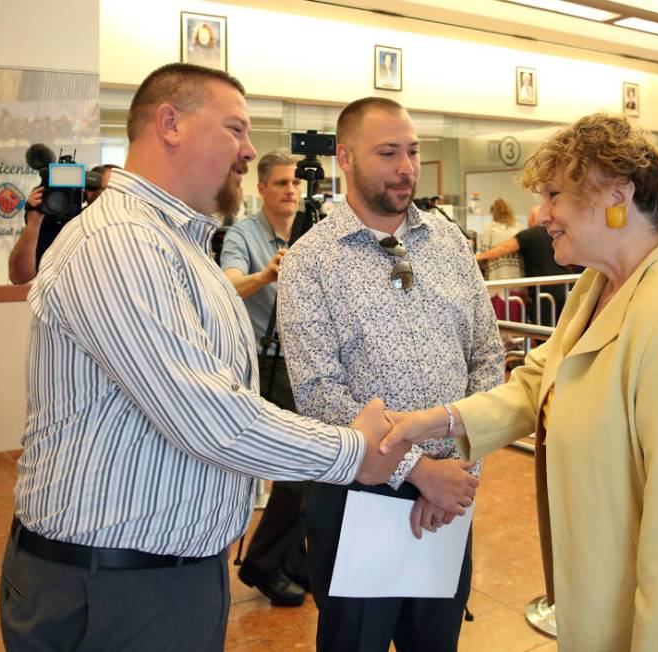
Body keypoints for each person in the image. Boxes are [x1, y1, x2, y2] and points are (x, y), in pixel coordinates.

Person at [0, 63, 408, 652]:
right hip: (115, 588)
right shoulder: (118, 243)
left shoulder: (177, 243)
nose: (249, 151)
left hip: (167, 574)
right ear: (170, 123)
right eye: (235, 129)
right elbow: (207, 415)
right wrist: (355, 453)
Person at [381, 113, 658, 651]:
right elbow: (537, 383)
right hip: (607, 593)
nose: (542, 214)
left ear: (617, 196)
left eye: (555, 195)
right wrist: (437, 420)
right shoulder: (599, 284)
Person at [276, 96, 504, 652]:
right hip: (358, 493)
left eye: (413, 151)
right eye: (387, 153)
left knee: (435, 642)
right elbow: (318, 394)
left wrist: (457, 469)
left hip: (449, 496)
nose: (406, 167)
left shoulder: (448, 242)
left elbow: (488, 356)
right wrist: (417, 470)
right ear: (345, 157)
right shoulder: (311, 260)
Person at [220, 149, 310, 606]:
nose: (291, 191)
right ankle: (260, 563)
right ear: (261, 189)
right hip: (265, 363)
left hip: (308, 364)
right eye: (280, 183)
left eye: (295, 183)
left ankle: (292, 560)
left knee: (316, 472)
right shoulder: (243, 234)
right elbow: (228, 285)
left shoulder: (312, 229)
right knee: (297, 470)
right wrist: (266, 274)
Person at [7, 164, 117, 284]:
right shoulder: (61, 224)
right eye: (111, 189)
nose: (119, 197)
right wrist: (34, 222)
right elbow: (19, 276)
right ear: (90, 191)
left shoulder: (132, 225)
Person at [474, 220, 574, 325]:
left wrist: (477, 257)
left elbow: (505, 248)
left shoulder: (529, 235)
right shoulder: (556, 235)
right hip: (566, 287)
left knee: (544, 331)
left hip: (545, 292)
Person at [478, 198, 524, 320]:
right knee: (517, 322)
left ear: (493, 212)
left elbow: (483, 256)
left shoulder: (490, 230)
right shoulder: (518, 228)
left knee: (501, 325)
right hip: (517, 282)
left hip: (497, 282)